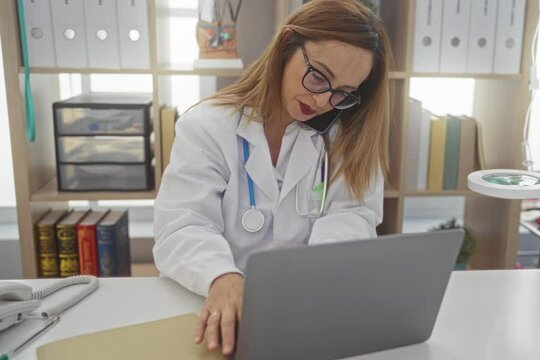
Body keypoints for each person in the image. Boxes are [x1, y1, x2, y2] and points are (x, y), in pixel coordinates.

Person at [153, 0, 392, 355]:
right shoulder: (207, 125)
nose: (323, 99)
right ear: (286, 44)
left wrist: (316, 278)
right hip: (212, 303)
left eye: (342, 92)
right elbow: (183, 225)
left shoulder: (348, 135)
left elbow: (353, 216)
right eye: (318, 75)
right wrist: (220, 275)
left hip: (305, 311)